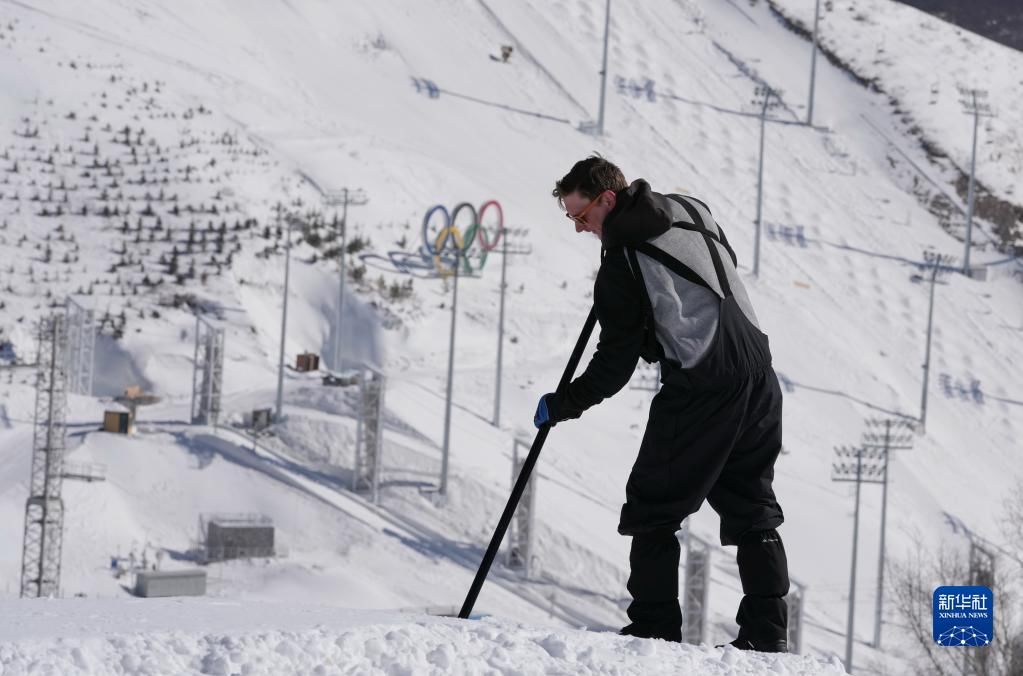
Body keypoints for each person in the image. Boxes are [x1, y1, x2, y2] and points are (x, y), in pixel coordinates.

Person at [534, 155, 790, 651]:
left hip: (703, 385)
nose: (579, 228)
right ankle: (766, 636)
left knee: (651, 507)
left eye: (581, 216)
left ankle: (654, 631)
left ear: (608, 199)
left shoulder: (621, 261)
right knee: (752, 507)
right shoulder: (691, 208)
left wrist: (564, 403)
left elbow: (615, 363)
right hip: (759, 375)